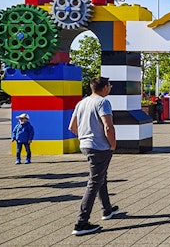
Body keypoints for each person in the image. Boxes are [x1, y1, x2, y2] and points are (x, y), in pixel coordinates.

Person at [68, 77, 118, 236]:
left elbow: (72, 127)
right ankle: (81, 223)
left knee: (100, 177)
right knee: (94, 181)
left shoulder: (82, 102)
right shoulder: (103, 102)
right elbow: (108, 126)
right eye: (109, 85)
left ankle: (107, 209)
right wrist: (113, 144)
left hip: (86, 145)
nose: (110, 87)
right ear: (104, 88)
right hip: (99, 147)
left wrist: (84, 137)